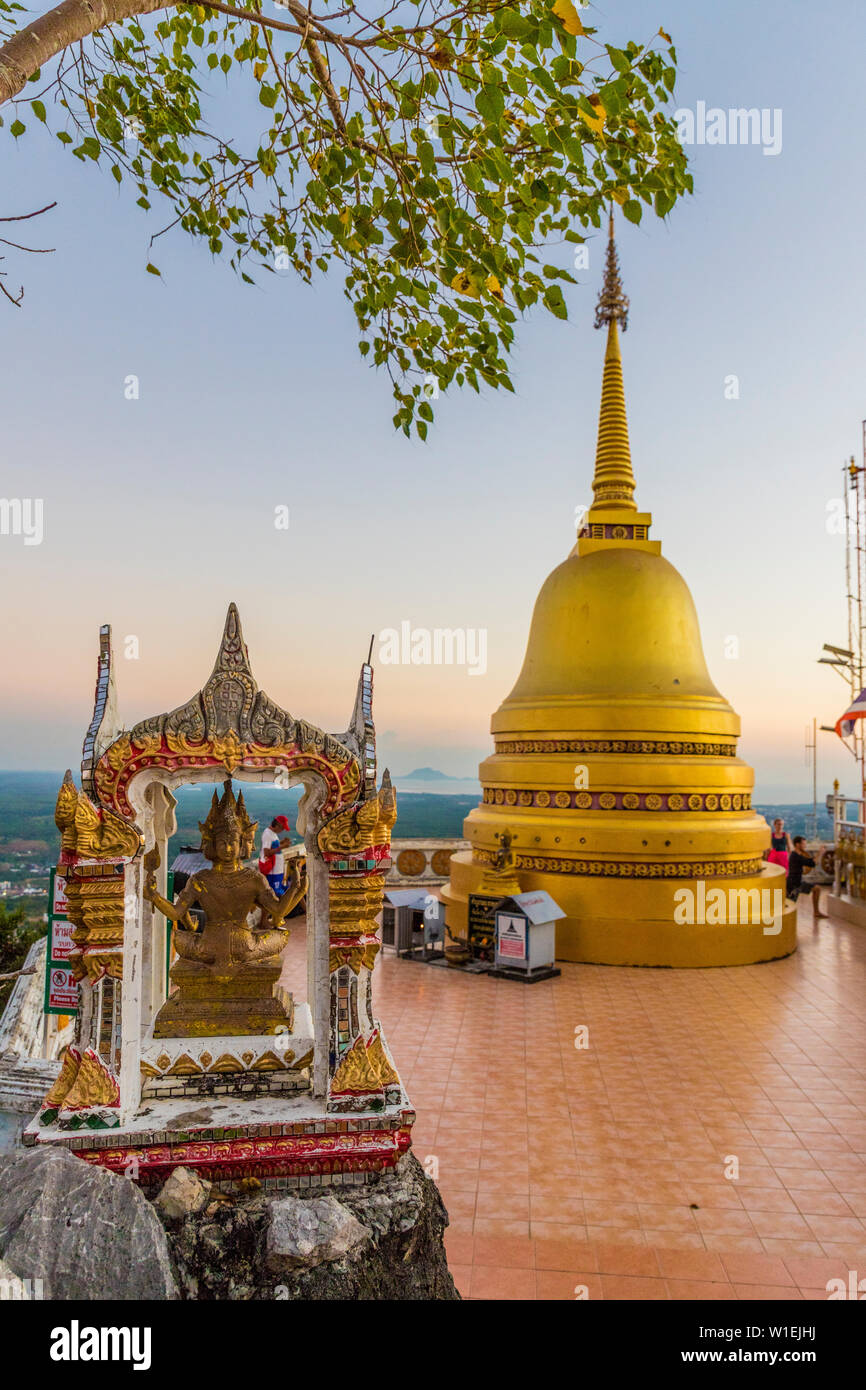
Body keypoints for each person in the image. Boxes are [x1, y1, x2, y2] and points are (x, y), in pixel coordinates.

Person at [786, 836, 828, 921]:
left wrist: (818, 854)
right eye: (803, 844)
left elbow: (810, 861)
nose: (805, 846)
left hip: (796, 882)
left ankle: (816, 912)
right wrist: (820, 852)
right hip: (794, 884)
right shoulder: (795, 856)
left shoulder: (796, 855)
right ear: (797, 845)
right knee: (787, 906)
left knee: (816, 889)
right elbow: (812, 863)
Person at [258, 814, 292, 896]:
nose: (283, 830)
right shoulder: (267, 834)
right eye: (282, 828)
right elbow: (267, 852)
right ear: (277, 825)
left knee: (282, 890)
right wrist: (282, 847)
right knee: (275, 893)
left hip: (277, 870)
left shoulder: (273, 833)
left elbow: (272, 845)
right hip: (272, 872)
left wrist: (281, 842)